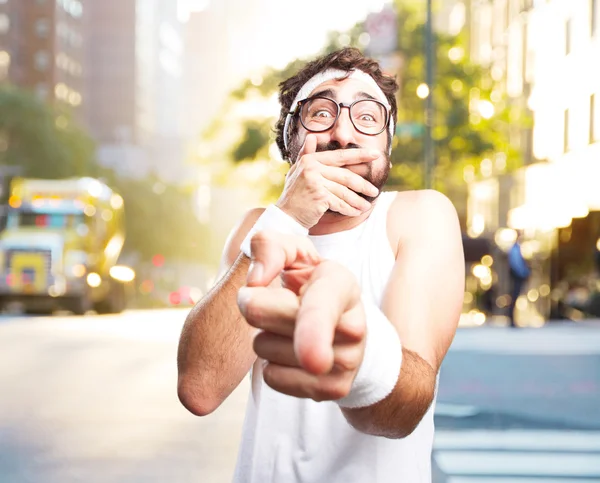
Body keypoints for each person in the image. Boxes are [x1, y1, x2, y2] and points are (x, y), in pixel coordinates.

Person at [177, 47, 465, 482]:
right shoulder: (258, 228)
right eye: (321, 113)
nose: (343, 133)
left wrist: (359, 361)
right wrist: (286, 220)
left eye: (368, 117)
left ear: (388, 142)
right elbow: (200, 388)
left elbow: (402, 411)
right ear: (290, 139)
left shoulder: (418, 215)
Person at [507, 232, 531, 327]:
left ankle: (512, 319)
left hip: (517, 275)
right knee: (514, 297)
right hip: (517, 276)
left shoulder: (517, 248)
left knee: (514, 297)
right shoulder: (515, 249)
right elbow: (516, 264)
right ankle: (511, 319)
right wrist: (524, 273)